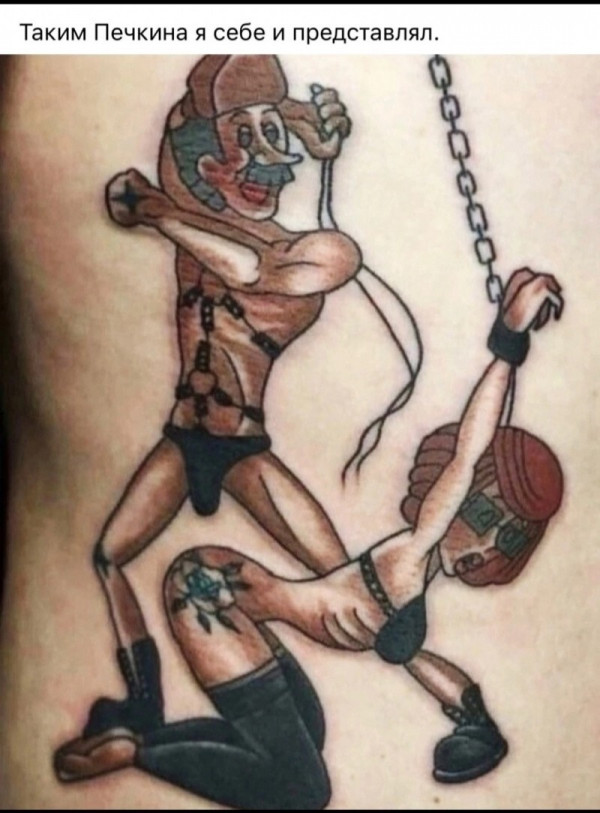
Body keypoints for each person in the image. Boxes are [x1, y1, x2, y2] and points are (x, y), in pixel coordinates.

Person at [83, 54, 492, 786]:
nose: (261, 168)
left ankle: (461, 705)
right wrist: (290, 117)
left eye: (274, 146)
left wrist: (158, 214)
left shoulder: (320, 253)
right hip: (182, 439)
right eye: (241, 145)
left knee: (346, 585)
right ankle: (141, 703)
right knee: (111, 554)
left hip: (243, 449)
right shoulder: (198, 222)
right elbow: (181, 130)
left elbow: (247, 269)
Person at [54, 267, 564, 808]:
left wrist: (476, 719)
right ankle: (135, 751)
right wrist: (508, 345)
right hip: (211, 597)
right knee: (303, 788)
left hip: (228, 592)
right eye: (483, 515)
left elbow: (429, 669)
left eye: (509, 539)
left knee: (306, 735)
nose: (487, 546)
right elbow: (467, 455)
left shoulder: (416, 579)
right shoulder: (414, 555)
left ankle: (143, 739)